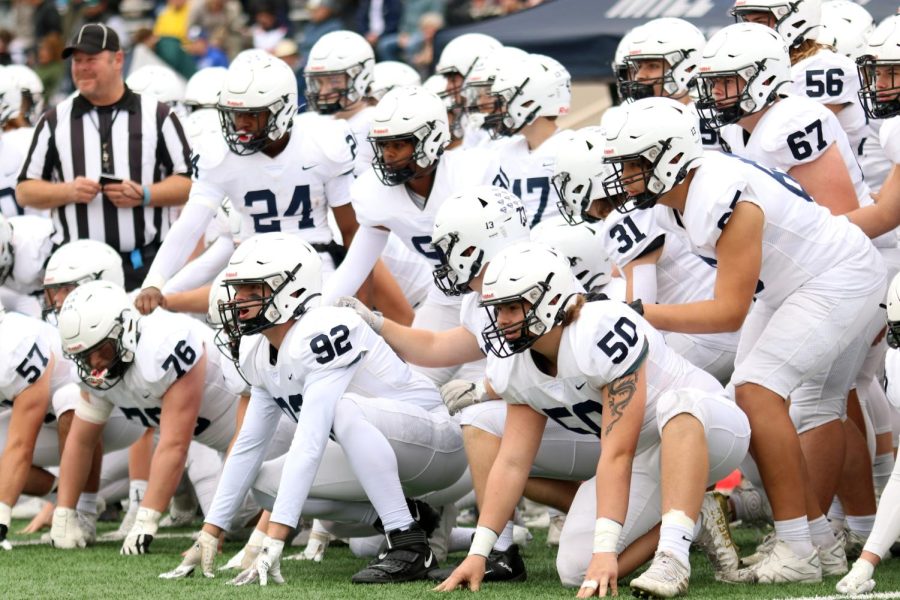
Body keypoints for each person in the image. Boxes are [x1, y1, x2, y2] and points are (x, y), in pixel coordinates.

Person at [601, 96, 886, 583]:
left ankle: (797, 547)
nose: (623, 176)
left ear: (669, 158)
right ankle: (819, 543)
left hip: (836, 276)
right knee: (764, 401)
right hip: (796, 282)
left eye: (632, 164)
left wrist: (641, 314)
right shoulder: (680, 196)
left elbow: (729, 312)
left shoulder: (718, 195)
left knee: (757, 391)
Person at [434, 241, 750, 597]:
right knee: (575, 568)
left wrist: (606, 549)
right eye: (497, 309)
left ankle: (674, 557)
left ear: (551, 299)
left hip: (710, 428)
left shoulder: (598, 331)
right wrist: (480, 552)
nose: (502, 320)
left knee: (675, 405)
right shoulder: (516, 363)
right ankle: (693, 519)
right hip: (650, 453)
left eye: (511, 307)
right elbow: (511, 462)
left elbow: (617, 453)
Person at [161, 232, 466, 585]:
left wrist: (274, 537)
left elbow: (310, 439)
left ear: (292, 290)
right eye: (238, 289)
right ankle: (412, 517)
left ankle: (407, 543)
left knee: (342, 409)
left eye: (252, 290)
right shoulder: (258, 350)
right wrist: (210, 531)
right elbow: (249, 445)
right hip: (386, 459)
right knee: (262, 485)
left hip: (438, 447)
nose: (239, 301)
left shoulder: (325, 329)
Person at [49, 279, 290, 554]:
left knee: (230, 518)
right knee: (231, 519)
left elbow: (175, 444)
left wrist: (147, 518)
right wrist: (64, 511)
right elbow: (81, 442)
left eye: (101, 351)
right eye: (85, 357)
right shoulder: (98, 367)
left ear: (125, 329)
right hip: (213, 441)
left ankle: (300, 514)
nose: (95, 365)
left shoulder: (163, 344)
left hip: (270, 433)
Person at [134, 49, 359, 315]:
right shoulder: (218, 153)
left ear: (283, 109)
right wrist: (155, 282)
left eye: (252, 115)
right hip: (250, 270)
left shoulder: (321, 142)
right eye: (235, 115)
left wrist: (359, 293)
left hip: (315, 263)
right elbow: (191, 223)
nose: (241, 124)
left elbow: (351, 230)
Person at [321, 85, 495, 386]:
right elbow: (355, 266)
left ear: (431, 140)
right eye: (383, 145)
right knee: (411, 385)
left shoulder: (471, 173)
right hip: (447, 297)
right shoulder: (375, 194)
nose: (388, 155)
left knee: (496, 384)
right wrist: (314, 314)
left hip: (500, 295)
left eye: (398, 145)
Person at [16, 23, 193, 291]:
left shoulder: (157, 115)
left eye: (91, 59)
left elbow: (189, 185)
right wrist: (69, 192)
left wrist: (145, 194)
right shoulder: (54, 120)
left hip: (141, 264)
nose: (82, 67)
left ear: (118, 60)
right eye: (77, 60)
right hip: (76, 268)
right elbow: (25, 191)